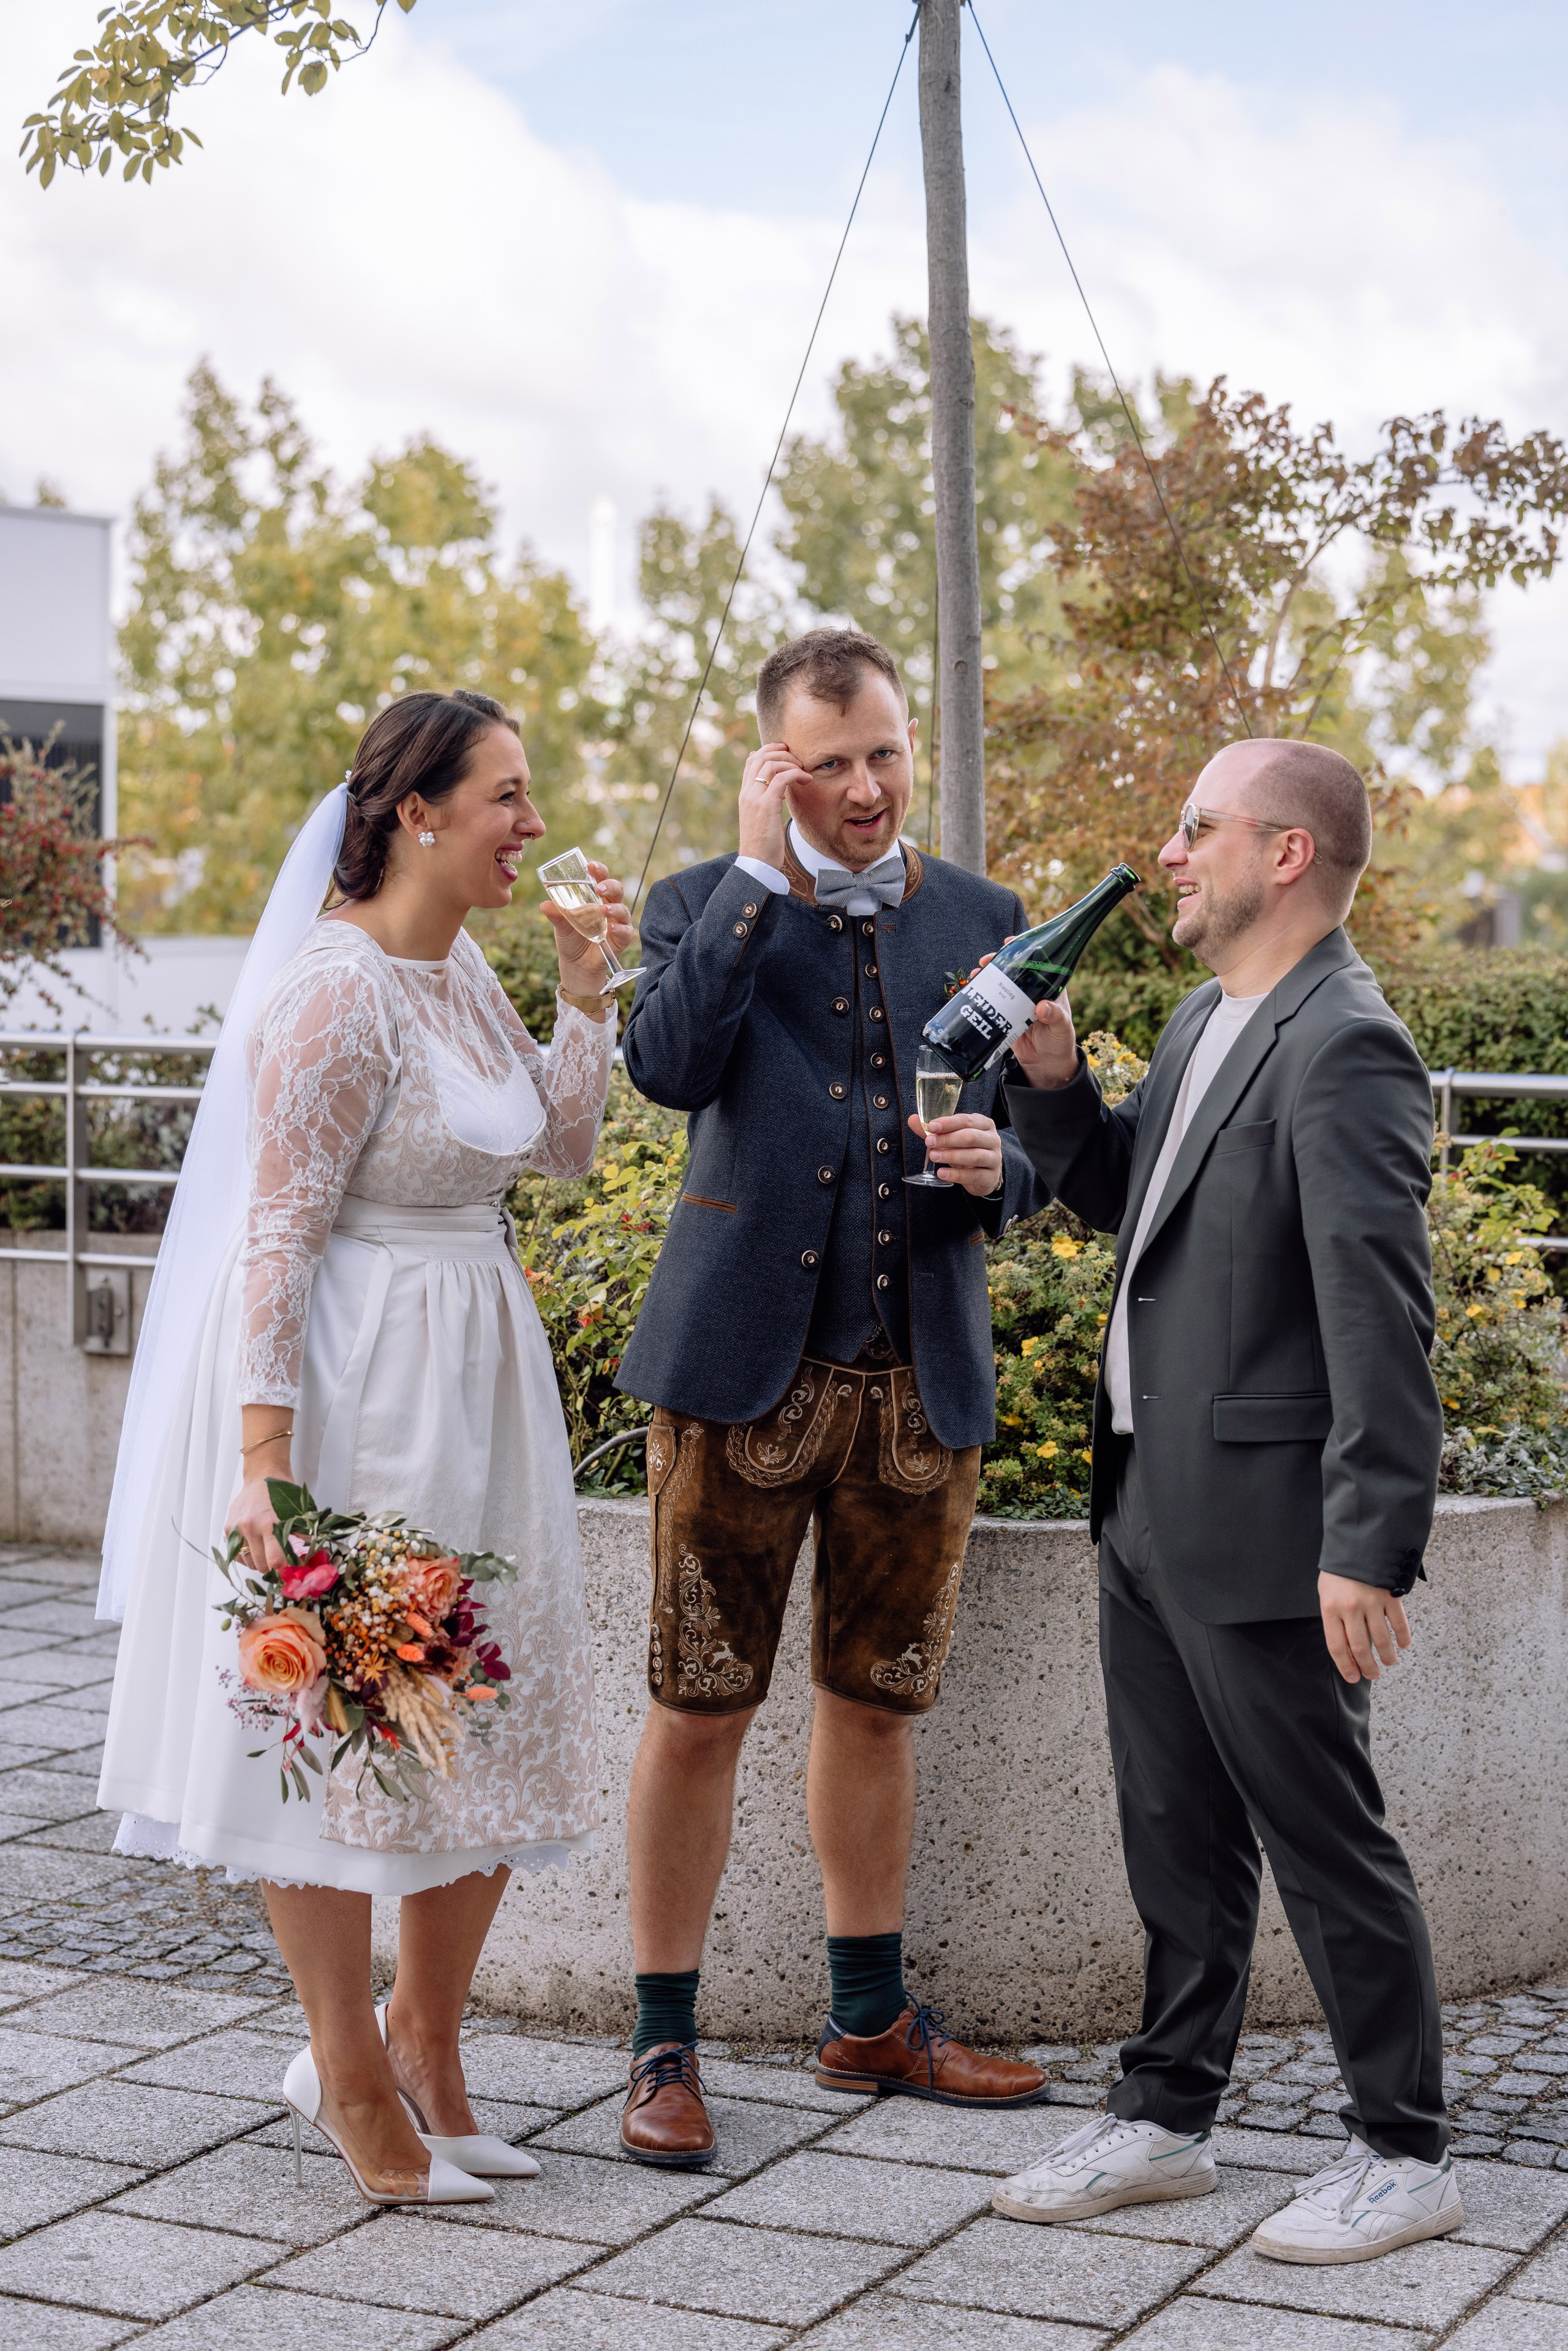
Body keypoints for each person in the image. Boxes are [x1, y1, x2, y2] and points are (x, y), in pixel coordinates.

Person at [97, 690, 628, 2206]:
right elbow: (274, 1229)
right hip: (353, 1373)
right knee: (348, 1716)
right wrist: (265, 1456)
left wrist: (583, 993)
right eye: (508, 796)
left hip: (477, 1361)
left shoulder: (457, 967)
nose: (533, 823)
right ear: (418, 813)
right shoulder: (332, 989)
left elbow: (560, 1147)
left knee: (479, 1701)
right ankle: (344, 2067)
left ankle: (432, 2049)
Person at [992, 738, 1460, 2263]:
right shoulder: (1204, 1014)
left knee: (1326, 1841)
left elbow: (1378, 1310)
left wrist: (1364, 1540)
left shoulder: (1347, 1042)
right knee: (1173, 1827)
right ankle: (1164, 2114)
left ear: (1284, 856)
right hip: (1145, 1498)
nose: (1168, 854)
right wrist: (1059, 1095)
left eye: (1198, 828)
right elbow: (1133, 1194)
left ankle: (1403, 2148)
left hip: (1268, 1524)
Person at [610, 627, 1052, 2167]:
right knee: (694, 1708)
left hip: (919, 1381)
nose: (865, 787)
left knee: (874, 1707)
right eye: (830, 761)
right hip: (737, 1378)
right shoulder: (695, 907)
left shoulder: (987, 922)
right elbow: (665, 1070)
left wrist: (1015, 1167)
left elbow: (1036, 1137)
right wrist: (750, 879)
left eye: (884, 752)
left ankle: (868, 2021)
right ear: (774, 763)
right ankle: (660, 2042)